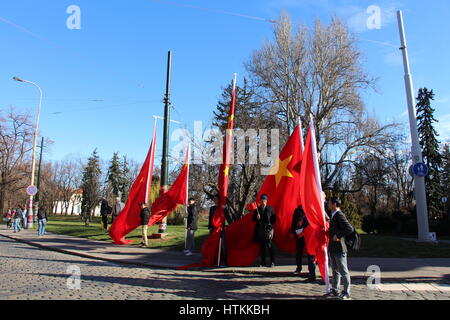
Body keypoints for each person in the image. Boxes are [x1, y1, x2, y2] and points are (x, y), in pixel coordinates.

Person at [324, 197, 354, 300]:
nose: (328, 204)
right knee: (335, 270)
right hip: (332, 247)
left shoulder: (339, 215)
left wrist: (338, 235)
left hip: (340, 248)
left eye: (329, 203)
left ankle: (347, 292)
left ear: (334, 204)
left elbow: (349, 228)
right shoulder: (333, 215)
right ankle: (335, 289)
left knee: (343, 270)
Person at [291, 205, 316, 282]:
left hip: (309, 233)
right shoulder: (297, 210)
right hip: (300, 233)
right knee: (299, 251)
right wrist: (292, 231)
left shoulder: (312, 208)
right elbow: (294, 221)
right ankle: (299, 268)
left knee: (311, 253)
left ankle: (311, 271)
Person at [253, 194, 276, 268]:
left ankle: (272, 261)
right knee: (262, 247)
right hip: (260, 230)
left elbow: (274, 218)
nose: (263, 202)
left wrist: (270, 226)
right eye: (262, 200)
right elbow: (253, 219)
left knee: (269, 246)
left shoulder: (270, 209)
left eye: (264, 200)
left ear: (266, 201)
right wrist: (257, 217)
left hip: (268, 230)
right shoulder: (258, 209)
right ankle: (263, 262)